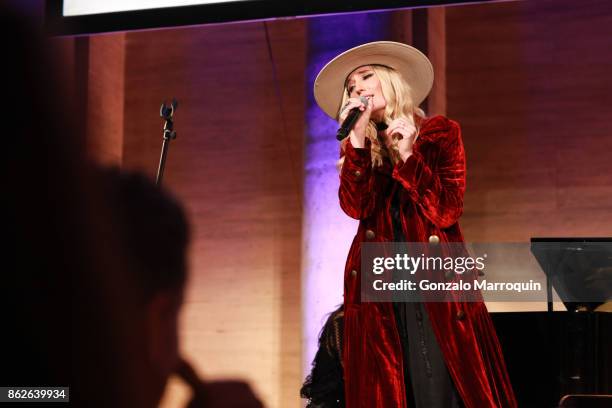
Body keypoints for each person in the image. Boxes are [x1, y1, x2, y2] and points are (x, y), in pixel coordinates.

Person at [312, 41, 518, 408]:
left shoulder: (440, 134)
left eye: (365, 77)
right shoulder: (360, 149)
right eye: (351, 87)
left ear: (390, 80)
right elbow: (356, 207)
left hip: (434, 282)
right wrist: (356, 141)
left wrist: (407, 156)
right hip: (381, 288)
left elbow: (446, 211)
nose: (357, 88)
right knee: (389, 388)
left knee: (443, 386)